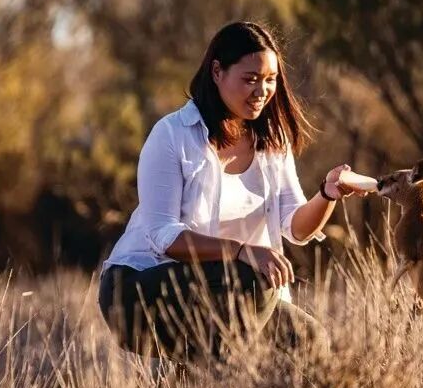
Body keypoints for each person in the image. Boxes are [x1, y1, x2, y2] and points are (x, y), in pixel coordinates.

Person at [97, 19, 368, 361]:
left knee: (309, 339)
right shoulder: (171, 135)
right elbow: (164, 236)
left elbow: (296, 227)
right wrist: (241, 250)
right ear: (217, 72)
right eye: (250, 79)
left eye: (270, 80)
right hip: (136, 290)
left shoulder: (272, 142)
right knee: (254, 281)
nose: (262, 91)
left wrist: (328, 193)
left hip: (228, 292)